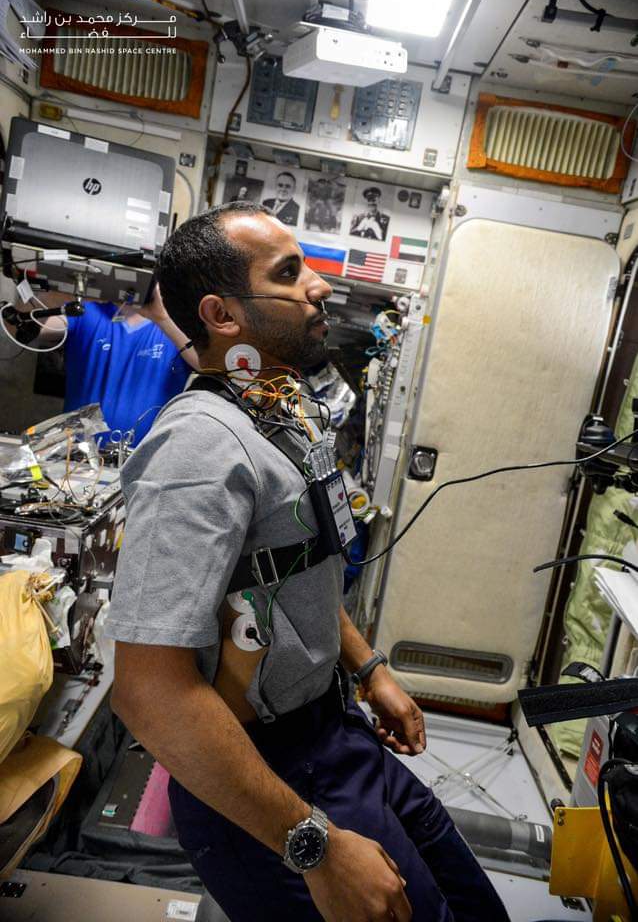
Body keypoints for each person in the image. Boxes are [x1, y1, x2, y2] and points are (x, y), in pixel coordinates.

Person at [106, 201, 510, 922]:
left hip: (336, 735)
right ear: (222, 315)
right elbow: (148, 693)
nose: (319, 287)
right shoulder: (199, 448)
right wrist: (313, 846)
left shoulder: (278, 414)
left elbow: (293, 571)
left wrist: (369, 669)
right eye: (289, 274)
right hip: (267, 779)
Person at [29, 284, 198, 444]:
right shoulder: (87, 313)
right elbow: (26, 327)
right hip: (76, 455)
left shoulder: (177, 328)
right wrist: (69, 287)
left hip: (148, 458)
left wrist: (162, 316)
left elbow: (206, 365)